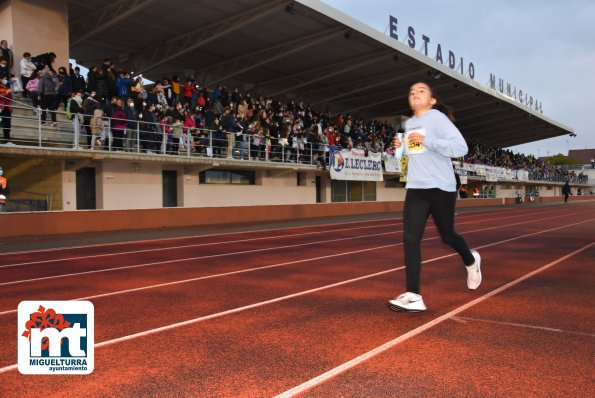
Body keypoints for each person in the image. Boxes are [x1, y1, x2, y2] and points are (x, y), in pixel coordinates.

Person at [388, 81, 482, 312]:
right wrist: (399, 149)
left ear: (432, 100)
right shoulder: (408, 124)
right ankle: (413, 295)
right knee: (410, 239)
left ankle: (471, 260)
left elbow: (461, 148)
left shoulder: (437, 118)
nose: (415, 94)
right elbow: (407, 163)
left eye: (421, 91)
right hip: (417, 188)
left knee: (448, 236)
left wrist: (427, 140)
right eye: (411, 91)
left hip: (441, 187)